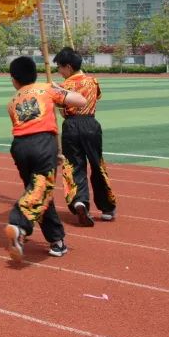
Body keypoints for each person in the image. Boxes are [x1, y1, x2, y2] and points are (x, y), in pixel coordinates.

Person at [4, 56, 87, 261]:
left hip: (20, 147)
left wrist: (56, 152)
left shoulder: (12, 102)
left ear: (14, 79)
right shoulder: (47, 89)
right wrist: (59, 89)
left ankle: (56, 240)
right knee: (41, 189)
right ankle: (19, 223)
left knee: (40, 190)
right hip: (42, 143)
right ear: (35, 74)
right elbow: (81, 101)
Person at [54, 47, 117, 225]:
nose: (59, 71)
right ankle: (107, 207)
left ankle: (79, 201)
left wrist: (57, 90)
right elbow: (97, 97)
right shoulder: (93, 81)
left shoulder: (63, 87)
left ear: (68, 67)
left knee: (74, 165)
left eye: (60, 67)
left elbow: (63, 112)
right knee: (97, 165)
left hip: (71, 126)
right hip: (91, 124)